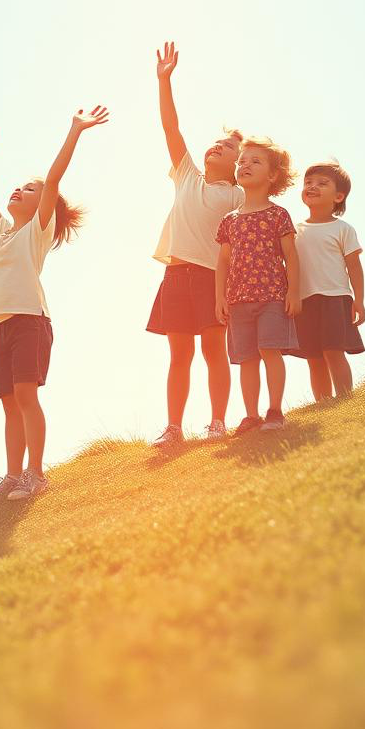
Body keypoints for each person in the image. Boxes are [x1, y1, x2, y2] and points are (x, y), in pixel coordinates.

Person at [0, 107, 108, 500]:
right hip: (0, 326)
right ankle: (13, 475)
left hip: (30, 322)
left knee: (26, 397)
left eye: (29, 190)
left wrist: (75, 130)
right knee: (9, 405)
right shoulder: (2, 231)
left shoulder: (37, 230)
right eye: (19, 187)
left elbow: (53, 180)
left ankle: (36, 474)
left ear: (43, 206)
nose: (19, 191)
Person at [147, 41, 244, 446]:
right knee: (179, 355)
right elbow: (171, 128)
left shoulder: (238, 196)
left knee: (213, 350)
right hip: (175, 274)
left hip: (211, 278)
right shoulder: (187, 175)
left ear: (238, 164)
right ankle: (174, 428)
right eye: (218, 142)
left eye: (230, 147)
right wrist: (164, 81)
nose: (218, 146)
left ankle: (218, 422)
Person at [215, 138, 300, 433]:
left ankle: (275, 411)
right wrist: (219, 298)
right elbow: (223, 262)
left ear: (273, 175)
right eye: (242, 161)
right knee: (247, 358)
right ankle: (251, 416)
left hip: (272, 297)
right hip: (238, 301)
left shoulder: (278, 215)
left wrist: (294, 292)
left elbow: (291, 256)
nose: (245, 165)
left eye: (255, 161)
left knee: (269, 349)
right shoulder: (229, 221)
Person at [288, 160, 365, 401]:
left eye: (322, 183)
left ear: (338, 196)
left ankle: (345, 398)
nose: (312, 187)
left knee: (333, 350)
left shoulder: (343, 229)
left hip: (335, 298)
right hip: (304, 301)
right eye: (308, 182)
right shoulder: (293, 231)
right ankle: (323, 403)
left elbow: (354, 266)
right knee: (313, 357)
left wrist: (359, 301)